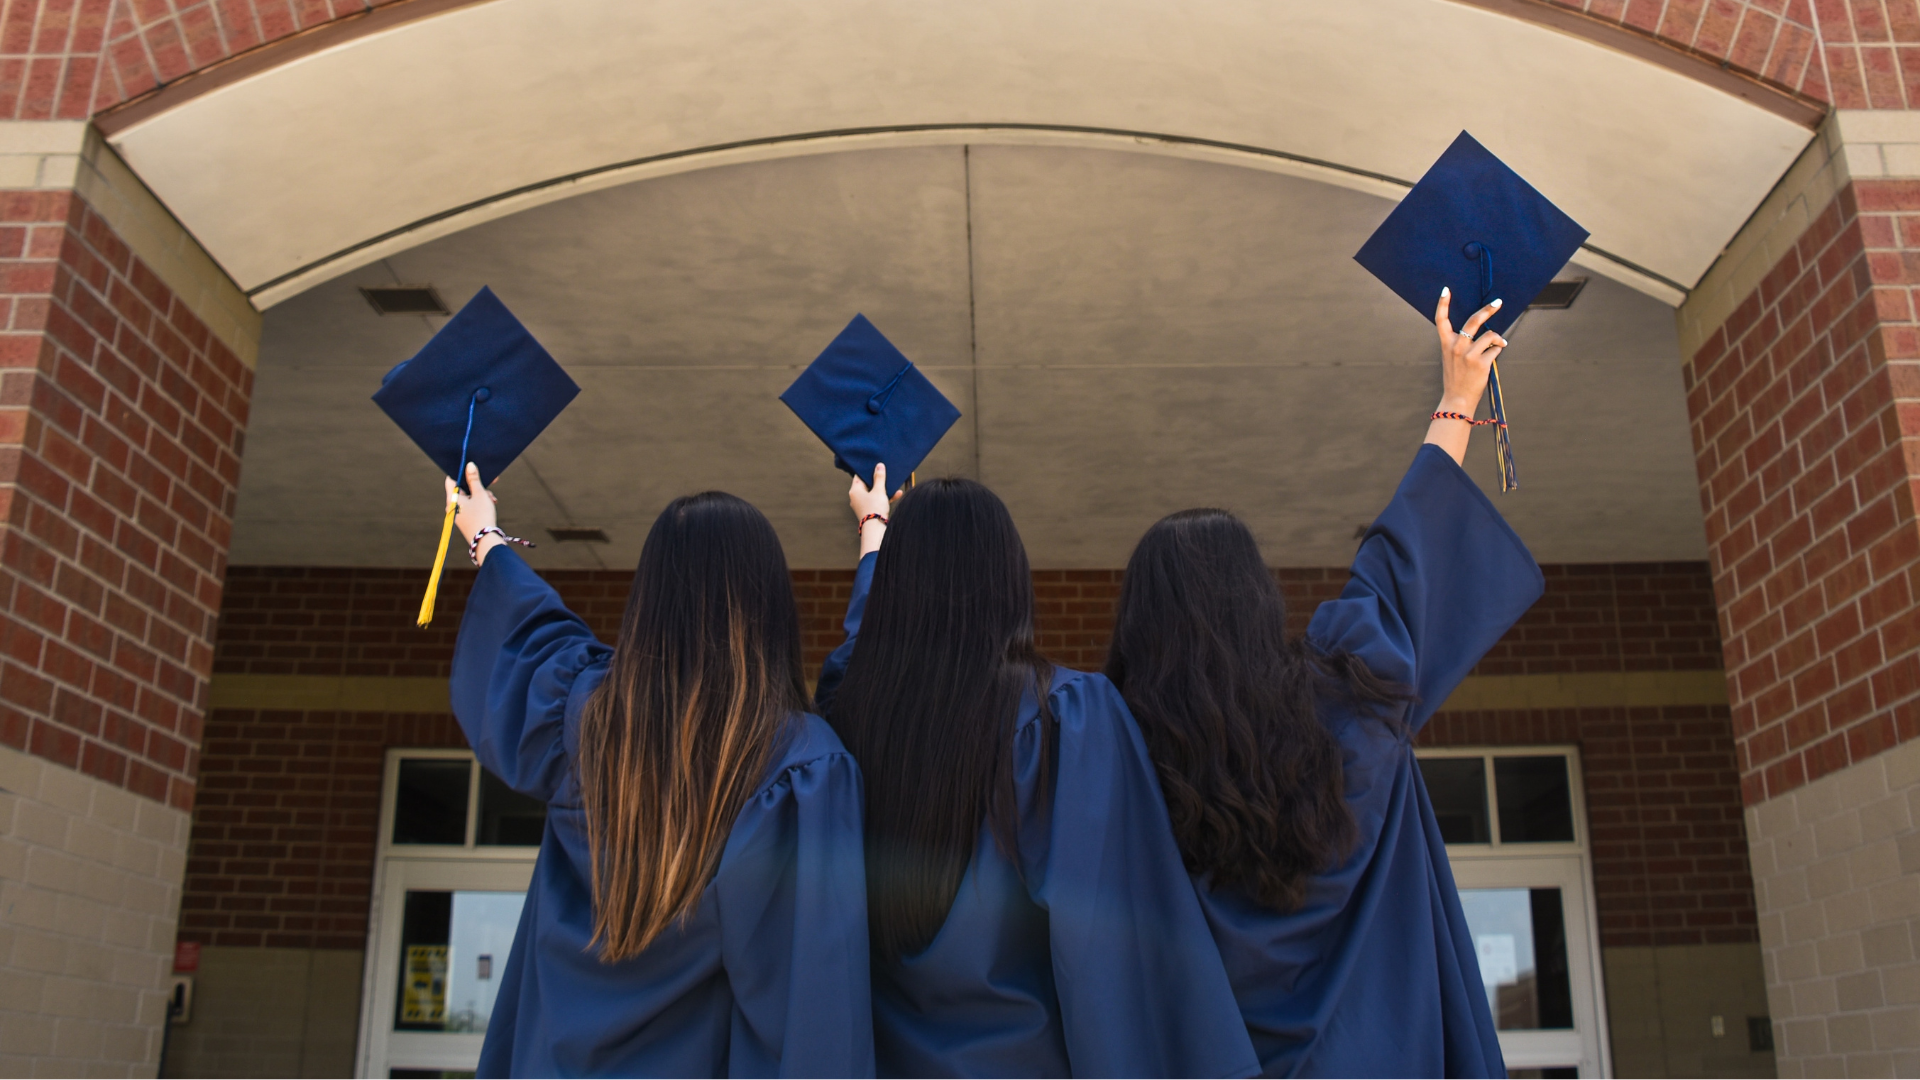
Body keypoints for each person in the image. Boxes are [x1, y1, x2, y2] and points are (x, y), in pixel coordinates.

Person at [1104, 291, 1542, 1078]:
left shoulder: (1117, 761)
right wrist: (1458, 397)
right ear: (1259, 603)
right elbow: (1403, 557)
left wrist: (879, 540)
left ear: (1140, 630)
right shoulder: (1349, 698)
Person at [817, 464, 1259, 1079]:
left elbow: (860, 651)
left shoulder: (845, 725)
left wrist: (876, 534)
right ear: (1009, 581)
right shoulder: (1063, 718)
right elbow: (1108, 957)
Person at [445, 466, 875, 1077]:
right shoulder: (796, 766)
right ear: (771, 604)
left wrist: (484, 535)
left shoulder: (584, 722)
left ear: (649, 599)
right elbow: (814, 1007)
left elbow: (532, 633)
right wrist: (873, 535)